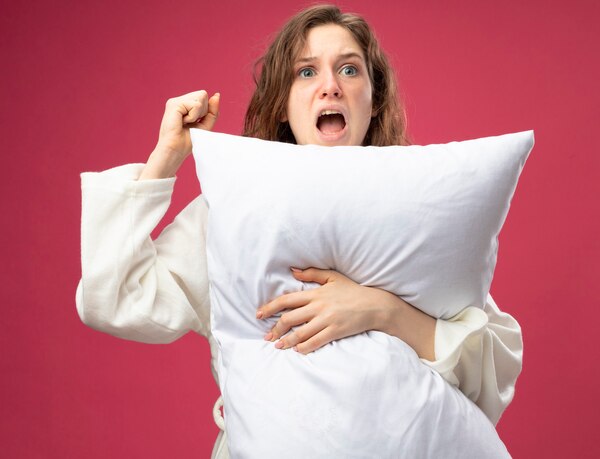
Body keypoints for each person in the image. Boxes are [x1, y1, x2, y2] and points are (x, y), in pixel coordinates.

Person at [76, 4, 523, 458]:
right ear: (284, 105)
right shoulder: (239, 212)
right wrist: (166, 157)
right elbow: (115, 298)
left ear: (374, 98)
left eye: (349, 69)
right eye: (306, 72)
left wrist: (381, 310)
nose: (330, 86)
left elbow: (490, 374)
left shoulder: (419, 210)